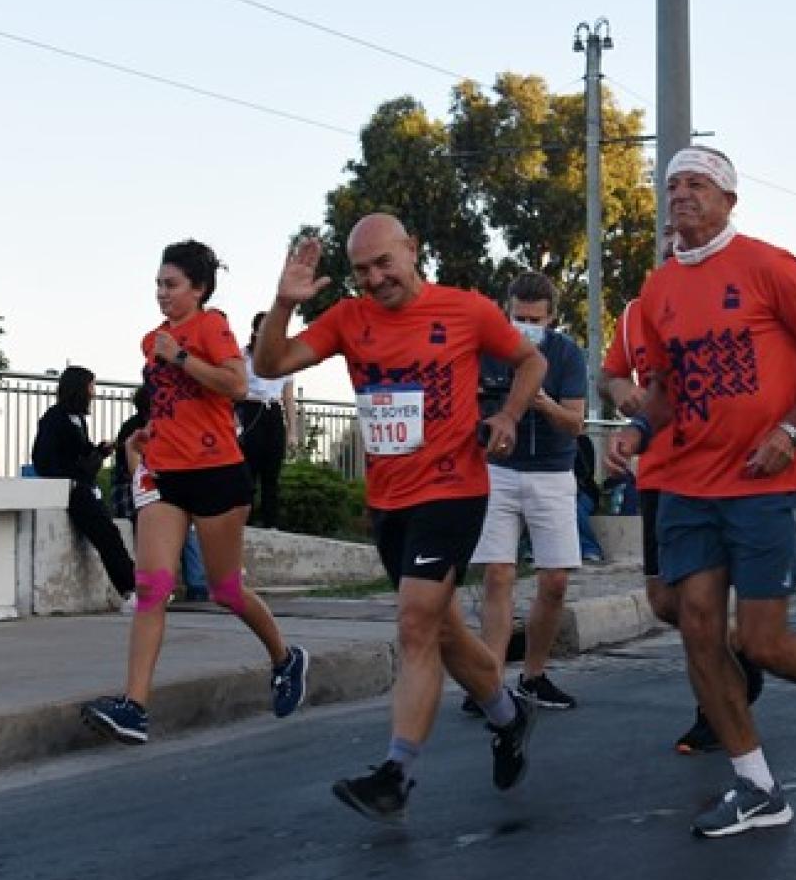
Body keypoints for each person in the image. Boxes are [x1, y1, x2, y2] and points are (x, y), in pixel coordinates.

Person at [607, 146, 796, 837]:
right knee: (697, 625)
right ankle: (756, 782)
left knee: (760, 641)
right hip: (689, 486)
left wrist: (791, 428)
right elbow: (669, 388)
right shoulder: (660, 287)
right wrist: (639, 428)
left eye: (697, 183)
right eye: (672, 184)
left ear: (730, 199)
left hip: (762, 480)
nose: (681, 194)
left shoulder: (771, 265)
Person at [252, 215, 547, 824]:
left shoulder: (466, 310)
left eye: (385, 263)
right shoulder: (349, 320)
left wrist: (510, 417)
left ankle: (397, 773)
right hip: (389, 501)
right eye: (362, 270)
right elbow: (272, 362)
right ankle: (508, 716)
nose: (375, 278)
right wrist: (284, 301)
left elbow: (530, 363)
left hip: (453, 489)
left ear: (413, 249)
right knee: (440, 630)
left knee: (413, 625)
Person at [81, 240, 309, 746]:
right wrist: (144, 435)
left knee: (225, 590)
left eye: (171, 285)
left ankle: (286, 658)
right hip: (166, 474)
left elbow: (235, 386)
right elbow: (168, 404)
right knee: (151, 588)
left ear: (198, 288)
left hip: (218, 475)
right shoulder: (151, 340)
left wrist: (182, 355)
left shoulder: (211, 326)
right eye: (158, 284)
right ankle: (135, 707)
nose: (161, 293)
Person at [599, 292, 765, 756]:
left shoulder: (724, 302)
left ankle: (715, 715)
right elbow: (609, 375)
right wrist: (618, 392)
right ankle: (739, 656)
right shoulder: (637, 311)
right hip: (655, 470)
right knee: (664, 601)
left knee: (699, 607)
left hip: (707, 470)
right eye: (668, 229)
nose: (675, 236)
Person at [466, 270, 587, 711]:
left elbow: (577, 423)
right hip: (498, 471)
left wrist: (542, 403)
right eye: (519, 317)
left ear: (552, 318)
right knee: (498, 575)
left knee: (554, 581)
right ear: (506, 311)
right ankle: (491, 684)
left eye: (535, 319)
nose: (526, 326)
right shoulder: (487, 352)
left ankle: (534, 676)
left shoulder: (568, 355)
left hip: (553, 473)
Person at [31, 366, 135, 603]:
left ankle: (132, 586)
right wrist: (73, 476)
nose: (93, 392)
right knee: (107, 535)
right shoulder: (54, 418)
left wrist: (99, 451)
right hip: (72, 488)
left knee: (109, 534)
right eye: (90, 386)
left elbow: (82, 450)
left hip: (82, 486)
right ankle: (131, 588)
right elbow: (44, 459)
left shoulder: (77, 419)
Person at [112, 385, 209, 602]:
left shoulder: (160, 427)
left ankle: (195, 584)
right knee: (169, 522)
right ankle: (182, 583)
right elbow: (136, 473)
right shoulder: (136, 431)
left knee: (186, 522)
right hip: (136, 491)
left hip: (157, 487)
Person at [237, 311, 297, 529]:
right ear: (255, 331)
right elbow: (235, 390)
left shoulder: (284, 357)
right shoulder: (243, 356)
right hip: (251, 408)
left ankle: (271, 523)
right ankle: (247, 522)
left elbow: (288, 397)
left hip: (273, 412)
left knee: (272, 472)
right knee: (249, 471)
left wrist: (292, 432)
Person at [573, 432, 605, 564]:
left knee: (576, 508)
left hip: (584, 491)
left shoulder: (582, 441)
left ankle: (590, 548)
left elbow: (587, 472)